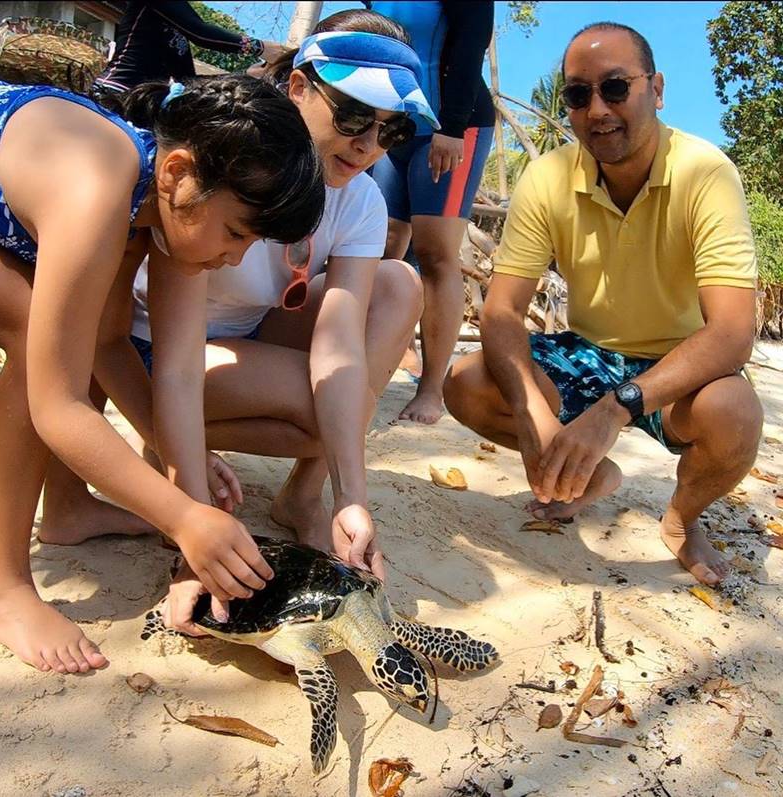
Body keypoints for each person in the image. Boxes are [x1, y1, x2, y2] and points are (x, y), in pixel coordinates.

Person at [0, 74, 325, 674]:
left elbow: (164, 369)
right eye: (236, 232)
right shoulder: (96, 188)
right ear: (177, 172)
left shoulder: (168, 210)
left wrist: (179, 471)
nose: (236, 257)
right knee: (34, 328)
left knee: (80, 324)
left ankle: (68, 511)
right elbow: (57, 405)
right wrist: (183, 516)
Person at [120, 12, 431, 633]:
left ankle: (307, 494)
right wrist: (193, 526)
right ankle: (174, 452)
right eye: (353, 116)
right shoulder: (236, 161)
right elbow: (177, 359)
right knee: (334, 409)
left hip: (247, 336)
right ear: (298, 87)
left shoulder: (362, 199)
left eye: (391, 129)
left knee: (397, 288)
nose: (368, 144)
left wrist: (352, 496)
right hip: (160, 350)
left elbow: (342, 343)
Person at [444, 22, 763, 587]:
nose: (597, 110)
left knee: (735, 415)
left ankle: (682, 518)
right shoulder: (548, 177)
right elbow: (502, 312)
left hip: (676, 366)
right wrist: (533, 415)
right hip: (587, 352)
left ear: (656, 90)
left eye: (615, 88)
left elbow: (733, 333)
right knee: (467, 382)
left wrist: (615, 411)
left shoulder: (705, 172)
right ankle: (590, 475)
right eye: (577, 94)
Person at [366, 0, 495, 424]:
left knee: (435, 253)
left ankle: (431, 388)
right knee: (382, 244)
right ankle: (389, 355)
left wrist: (452, 127)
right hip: (394, 123)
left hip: (450, 126)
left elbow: (471, 45)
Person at [92, 0, 285, 98]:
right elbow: (200, 33)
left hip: (141, 105)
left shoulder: (180, 27)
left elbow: (188, 81)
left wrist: (246, 75)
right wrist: (259, 47)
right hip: (113, 93)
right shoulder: (182, 19)